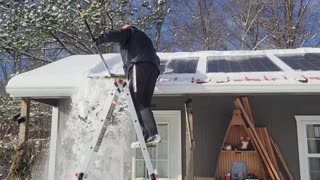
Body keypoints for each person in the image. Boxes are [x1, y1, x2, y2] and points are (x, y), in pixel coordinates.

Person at [95, 22, 161, 148]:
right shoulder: (145, 40)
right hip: (152, 70)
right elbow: (156, 59)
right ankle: (148, 136)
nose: (122, 28)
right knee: (143, 103)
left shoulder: (130, 31)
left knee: (134, 99)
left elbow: (118, 34)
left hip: (139, 64)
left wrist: (101, 39)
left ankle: (151, 133)